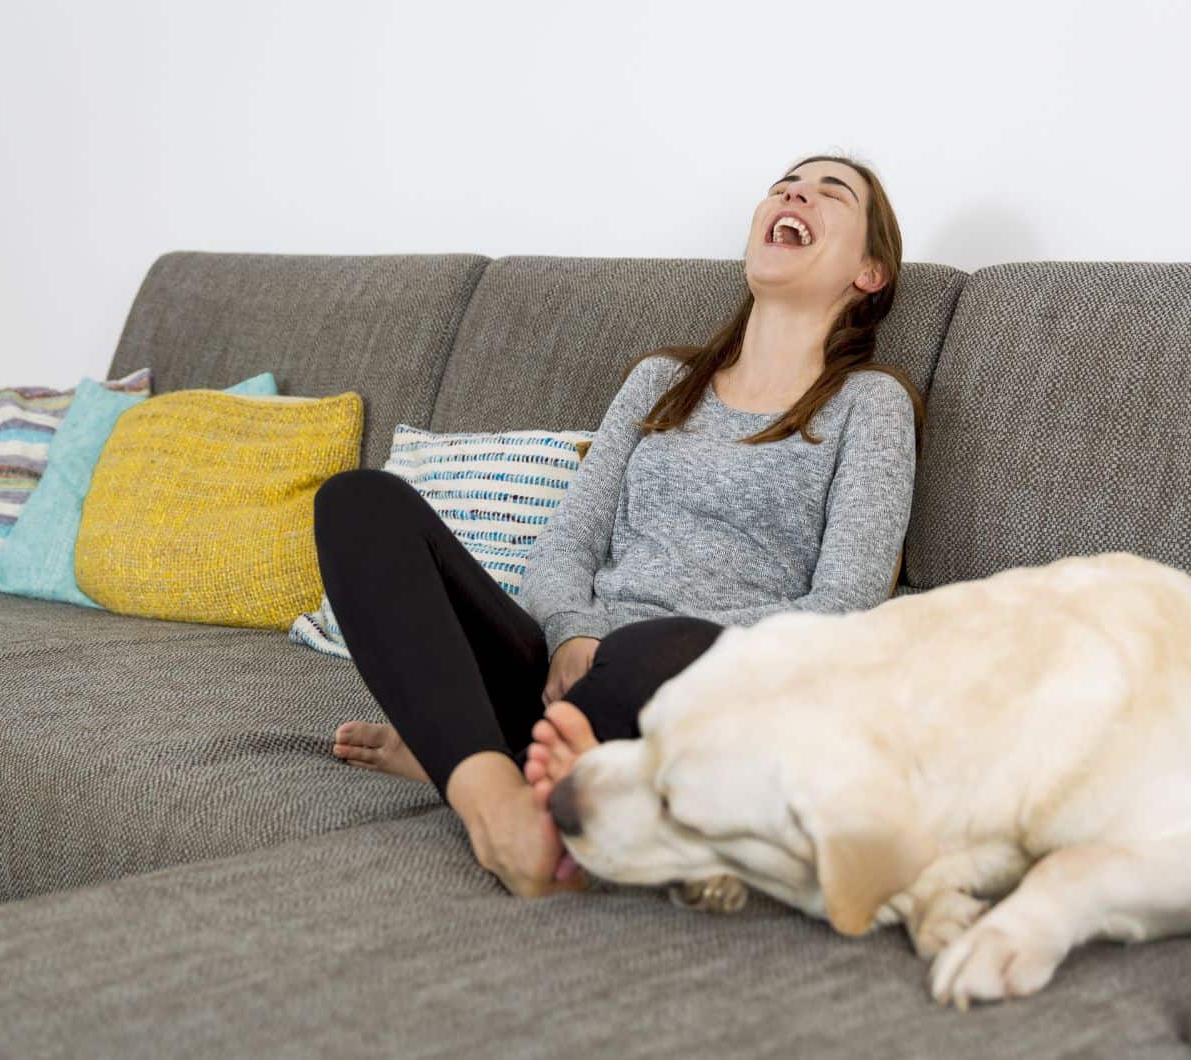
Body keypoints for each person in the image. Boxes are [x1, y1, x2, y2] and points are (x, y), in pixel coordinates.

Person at [313, 153, 923, 899]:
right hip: (569, 667)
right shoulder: (662, 381)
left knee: (648, 646)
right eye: (786, 183)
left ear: (870, 273)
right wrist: (572, 633)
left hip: (702, 677)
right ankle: (496, 799)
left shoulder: (871, 404)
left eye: (832, 193)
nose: (796, 191)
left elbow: (848, 604)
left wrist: (631, 645)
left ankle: (465, 748)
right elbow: (569, 541)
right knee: (360, 501)